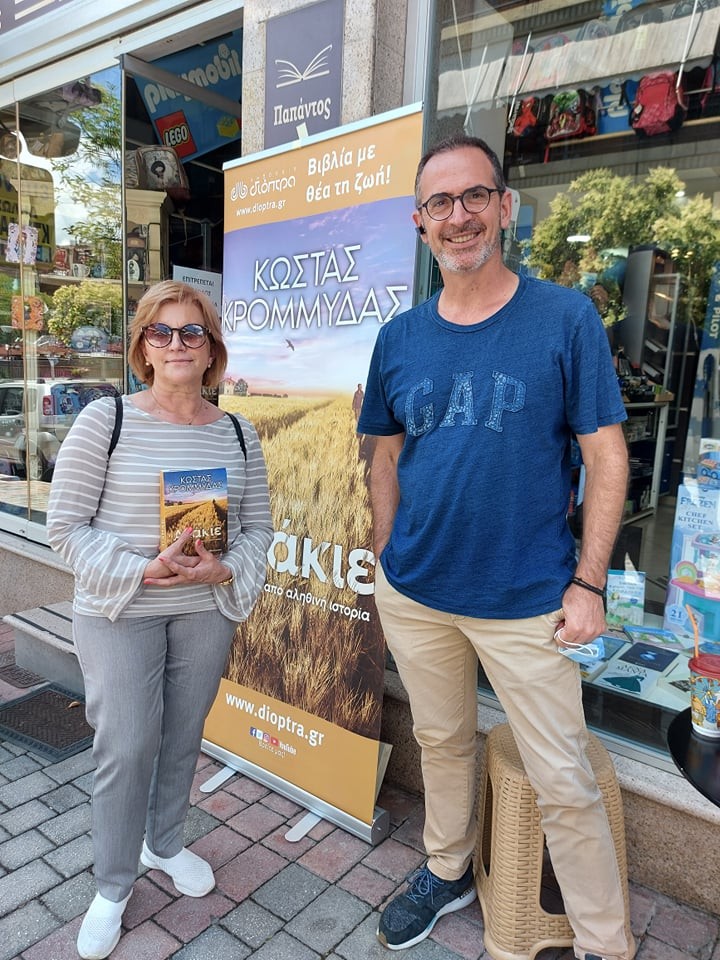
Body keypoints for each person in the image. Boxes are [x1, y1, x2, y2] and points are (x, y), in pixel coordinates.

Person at [357, 135, 633, 960]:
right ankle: (446, 869)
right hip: (418, 593)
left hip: (528, 600)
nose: (459, 216)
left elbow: (606, 457)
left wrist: (589, 583)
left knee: (564, 781)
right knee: (441, 742)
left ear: (506, 207)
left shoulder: (565, 318)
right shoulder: (399, 338)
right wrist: (386, 552)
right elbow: (383, 455)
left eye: (475, 195)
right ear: (419, 223)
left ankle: (604, 941)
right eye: (439, 203)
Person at [46, 280, 273, 960]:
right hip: (122, 611)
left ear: (211, 349)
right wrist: (143, 569)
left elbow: (259, 529)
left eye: (192, 332)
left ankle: (164, 843)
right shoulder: (106, 420)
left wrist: (224, 570)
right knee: (127, 745)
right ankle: (113, 884)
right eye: (161, 332)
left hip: (203, 611)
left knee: (181, 736)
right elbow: (65, 528)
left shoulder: (239, 433)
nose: (177, 343)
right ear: (144, 348)